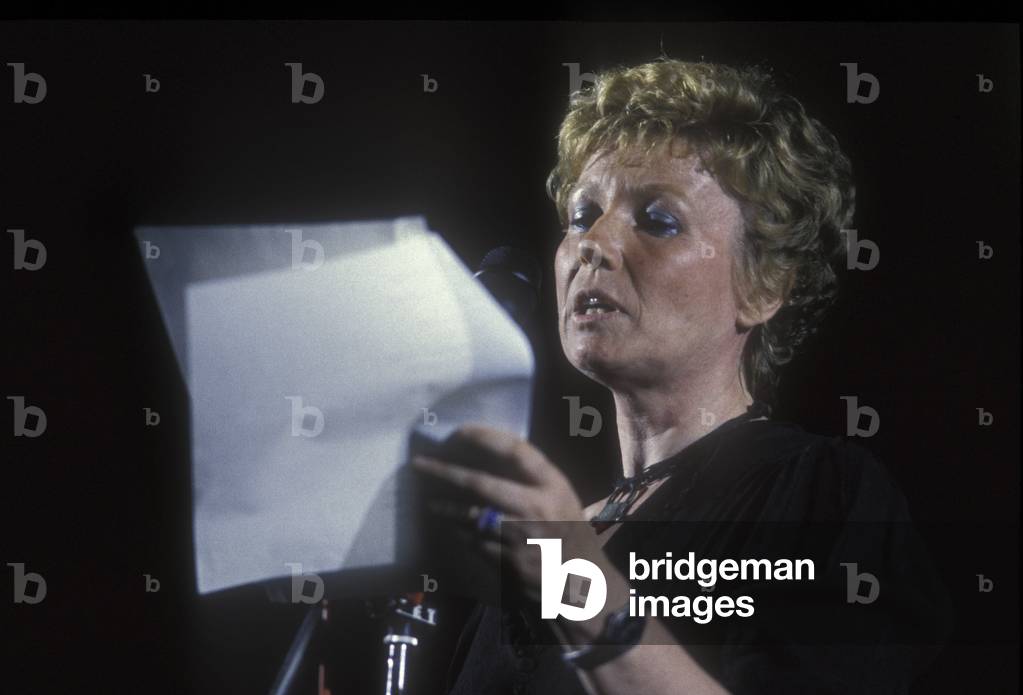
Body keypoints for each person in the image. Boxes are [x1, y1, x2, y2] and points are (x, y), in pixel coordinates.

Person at [411, 58, 950, 695]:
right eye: (582, 215)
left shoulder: (823, 494)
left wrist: (570, 575)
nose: (594, 242)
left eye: (658, 220)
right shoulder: (533, 539)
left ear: (763, 286)